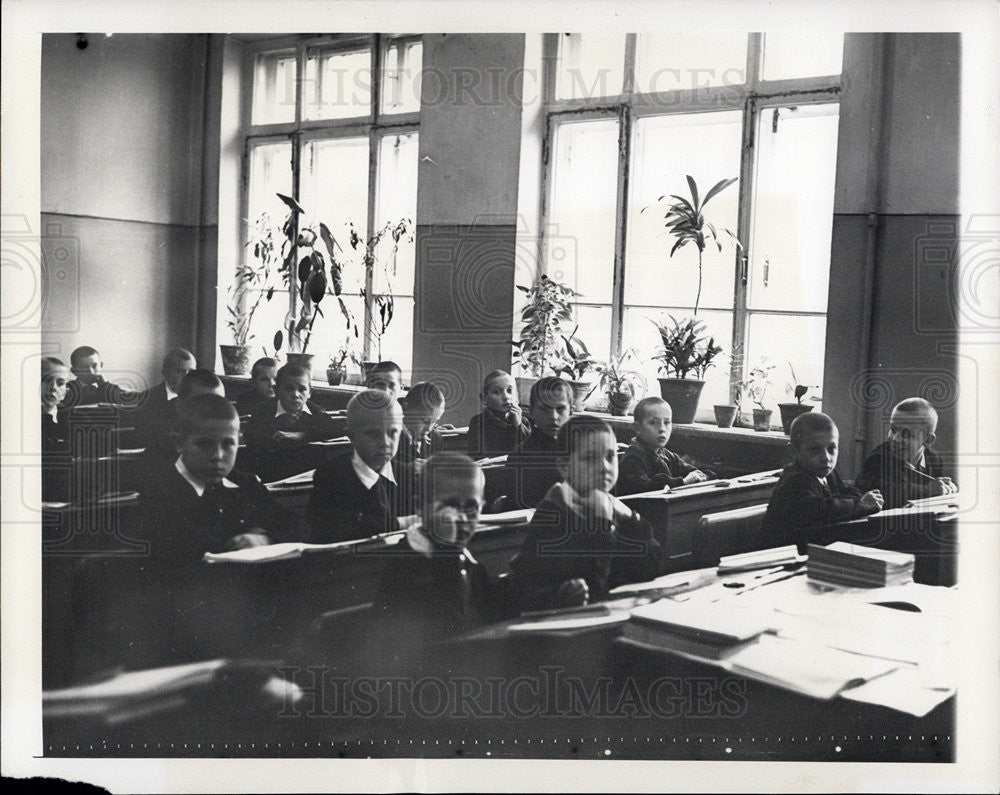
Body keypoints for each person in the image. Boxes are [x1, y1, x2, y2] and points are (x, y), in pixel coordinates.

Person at [508, 415, 664, 611]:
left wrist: (631, 518)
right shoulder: (553, 513)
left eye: (610, 456)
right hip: (566, 624)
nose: (604, 467)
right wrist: (602, 524)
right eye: (590, 458)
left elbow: (652, 567)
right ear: (564, 467)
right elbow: (595, 585)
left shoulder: (612, 506)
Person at [372, 452, 518, 644]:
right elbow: (452, 631)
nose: (462, 519)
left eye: (471, 508)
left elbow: (490, 609)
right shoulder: (406, 565)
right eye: (449, 507)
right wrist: (447, 550)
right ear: (419, 507)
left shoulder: (466, 559)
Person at [138, 394, 290, 567]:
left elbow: (292, 524)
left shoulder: (245, 483)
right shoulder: (158, 492)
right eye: (204, 444)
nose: (217, 456)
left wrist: (264, 538)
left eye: (227, 444)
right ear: (180, 443)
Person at [759, 412, 884, 550]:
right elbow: (820, 509)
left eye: (831, 449)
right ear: (794, 451)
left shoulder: (827, 474)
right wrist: (860, 505)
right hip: (778, 558)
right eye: (815, 450)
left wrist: (864, 500)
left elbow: (845, 493)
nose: (826, 457)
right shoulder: (795, 480)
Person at [307, 389, 414, 543]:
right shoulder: (331, 474)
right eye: (374, 434)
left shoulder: (405, 474)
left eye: (392, 433)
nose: (385, 443)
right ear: (352, 436)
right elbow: (340, 528)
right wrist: (400, 523)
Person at [243, 362, 341, 481]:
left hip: (308, 475)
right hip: (272, 474)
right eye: (288, 389)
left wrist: (302, 435)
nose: (295, 394)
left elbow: (336, 432)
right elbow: (251, 438)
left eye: (302, 389)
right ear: (276, 390)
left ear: (310, 393)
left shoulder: (317, 412)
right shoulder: (263, 411)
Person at [856, 397, 956, 508]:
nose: (895, 439)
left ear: (928, 440)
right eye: (893, 430)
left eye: (906, 434)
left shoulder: (934, 460)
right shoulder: (880, 456)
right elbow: (879, 491)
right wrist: (926, 490)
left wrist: (946, 488)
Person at [616, 397, 715, 495]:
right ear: (637, 428)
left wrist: (703, 476)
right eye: (653, 423)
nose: (662, 429)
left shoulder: (666, 455)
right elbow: (645, 488)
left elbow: (692, 471)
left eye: (667, 422)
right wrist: (683, 482)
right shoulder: (633, 458)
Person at [502, 376, 574, 509]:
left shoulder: (580, 451)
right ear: (532, 412)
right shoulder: (520, 456)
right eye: (545, 409)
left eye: (560, 409)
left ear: (571, 412)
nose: (553, 417)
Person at [131, 348, 197, 447]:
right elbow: (145, 438)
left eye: (191, 372)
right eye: (180, 371)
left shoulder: (199, 399)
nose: (187, 377)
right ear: (165, 373)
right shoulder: (147, 399)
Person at [466, 370, 531, 458]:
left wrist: (518, 426)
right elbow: (476, 456)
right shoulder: (478, 422)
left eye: (509, 390)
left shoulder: (523, 422)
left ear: (517, 397)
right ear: (485, 399)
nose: (506, 396)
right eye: (497, 392)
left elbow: (529, 453)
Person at [397, 381, 446, 466]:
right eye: (425, 421)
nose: (429, 428)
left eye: (434, 422)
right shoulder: (390, 437)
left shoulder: (435, 438)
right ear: (406, 410)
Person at [41, 356, 72, 452]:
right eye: (46, 380)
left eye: (60, 383)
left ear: (65, 393)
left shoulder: (72, 420)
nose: (53, 387)